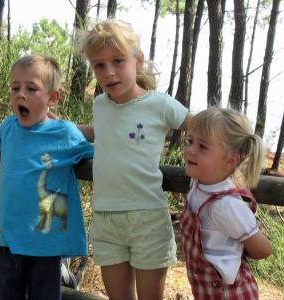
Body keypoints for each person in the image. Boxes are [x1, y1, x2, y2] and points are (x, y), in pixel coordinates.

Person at [0, 54, 93, 299]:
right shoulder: (10, 127)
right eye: (15, 87)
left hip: (45, 245)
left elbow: (97, 146)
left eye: (31, 88)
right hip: (9, 239)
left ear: (52, 97)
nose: (21, 94)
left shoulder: (65, 133)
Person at [77, 19, 192, 300]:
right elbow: (101, 132)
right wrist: (60, 127)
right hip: (106, 216)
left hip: (147, 217)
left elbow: (201, 126)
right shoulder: (101, 104)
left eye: (118, 61)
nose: (109, 72)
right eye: (99, 65)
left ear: (138, 60)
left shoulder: (159, 104)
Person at [180, 107, 272, 299]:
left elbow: (263, 250)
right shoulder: (198, 183)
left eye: (202, 146)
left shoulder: (226, 206)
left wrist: (238, 247)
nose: (190, 150)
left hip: (229, 293)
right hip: (206, 290)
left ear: (230, 160)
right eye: (190, 141)